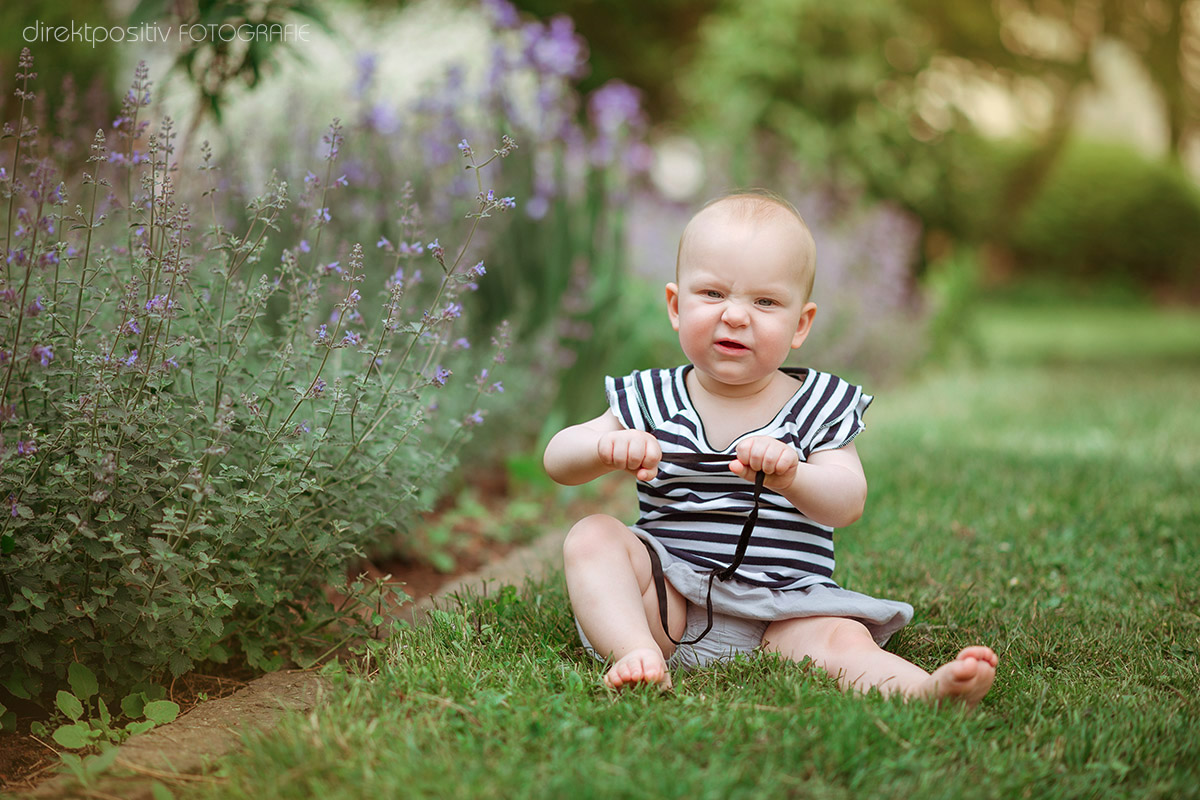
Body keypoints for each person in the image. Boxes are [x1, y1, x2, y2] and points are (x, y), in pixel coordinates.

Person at [542, 190, 997, 706]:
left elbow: (848, 500)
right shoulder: (650, 396)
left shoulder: (818, 404)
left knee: (837, 639)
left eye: (765, 302)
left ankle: (923, 689)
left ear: (800, 324)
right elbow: (558, 458)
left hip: (785, 609)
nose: (735, 316)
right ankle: (636, 653)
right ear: (676, 306)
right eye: (712, 293)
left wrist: (794, 476)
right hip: (667, 603)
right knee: (591, 536)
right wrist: (604, 446)